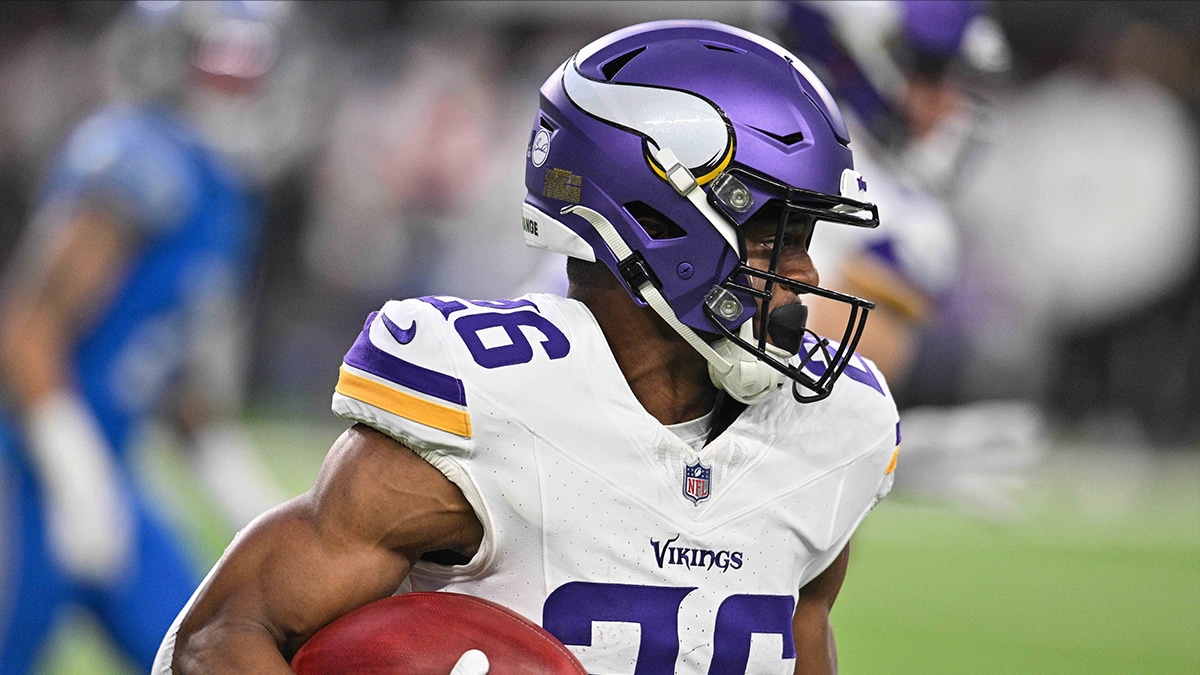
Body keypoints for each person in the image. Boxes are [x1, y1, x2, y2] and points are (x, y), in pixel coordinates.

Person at [156, 20, 899, 674]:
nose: (805, 273)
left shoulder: (831, 425)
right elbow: (218, 635)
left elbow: (804, 632)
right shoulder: (495, 399)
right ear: (660, 216)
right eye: (775, 234)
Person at [0, 3, 295, 672]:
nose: (236, 81)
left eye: (251, 63)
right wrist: (70, 466)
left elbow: (167, 360)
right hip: (24, 463)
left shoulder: (225, 188)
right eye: (220, 61)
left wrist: (231, 477)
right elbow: (26, 326)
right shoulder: (137, 154)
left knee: (204, 649)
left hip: (111, 469)